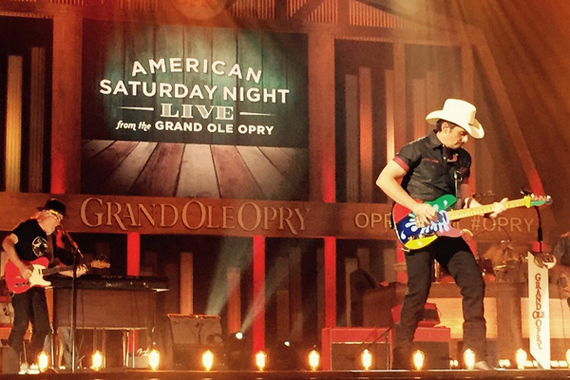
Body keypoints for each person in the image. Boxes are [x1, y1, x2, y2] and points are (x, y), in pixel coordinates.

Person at [376, 99, 507, 370]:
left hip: (447, 228)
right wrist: (416, 206)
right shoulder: (416, 149)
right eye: (462, 132)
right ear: (446, 126)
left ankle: (476, 356)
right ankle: (401, 359)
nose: (465, 137)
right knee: (418, 291)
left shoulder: (464, 158)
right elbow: (384, 179)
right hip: (415, 227)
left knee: (474, 283)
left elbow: (465, 200)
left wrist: (488, 211)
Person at [2, 199, 86, 371]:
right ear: (48, 213)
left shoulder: (49, 238)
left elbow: (52, 265)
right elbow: (7, 243)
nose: (58, 224)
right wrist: (21, 266)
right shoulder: (28, 226)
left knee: (43, 328)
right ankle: (9, 367)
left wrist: (73, 271)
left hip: (37, 285)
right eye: (58, 219)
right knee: (21, 323)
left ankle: (33, 363)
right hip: (20, 278)